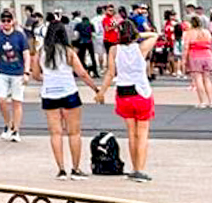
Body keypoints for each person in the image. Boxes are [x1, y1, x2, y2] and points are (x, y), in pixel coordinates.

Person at [30, 16, 99, 179]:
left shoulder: (41, 53)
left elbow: (35, 75)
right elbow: (82, 73)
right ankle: (75, 169)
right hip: (69, 93)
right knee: (74, 133)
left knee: (56, 133)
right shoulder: (69, 52)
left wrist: (48, 78)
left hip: (49, 94)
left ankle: (61, 169)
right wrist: (96, 88)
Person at [102, 19, 157, 181]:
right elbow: (155, 34)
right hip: (141, 92)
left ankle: (134, 168)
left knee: (131, 134)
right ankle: (140, 169)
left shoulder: (114, 50)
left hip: (123, 93)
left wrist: (101, 92)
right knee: (143, 134)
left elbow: (111, 73)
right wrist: (136, 35)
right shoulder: (141, 48)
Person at [0, 10, 32, 142]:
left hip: (17, 73)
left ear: (13, 21)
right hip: (2, 72)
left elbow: (26, 54)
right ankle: (8, 124)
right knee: (1, 100)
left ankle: (16, 130)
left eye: (8, 20)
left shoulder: (20, 36)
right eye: (4, 20)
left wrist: (26, 72)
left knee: (16, 102)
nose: (6, 23)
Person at [181, 10, 212, 109]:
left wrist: (184, 59)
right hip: (207, 55)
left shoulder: (189, 33)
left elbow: (186, 47)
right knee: (207, 79)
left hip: (195, 56)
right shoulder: (206, 32)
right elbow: (211, 45)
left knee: (198, 79)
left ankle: (202, 102)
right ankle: (211, 101)